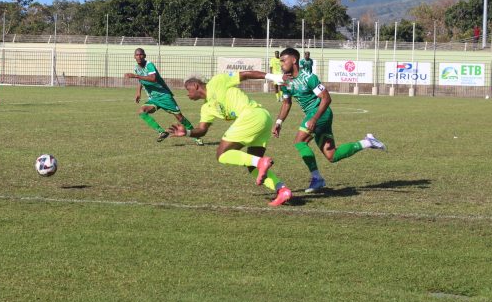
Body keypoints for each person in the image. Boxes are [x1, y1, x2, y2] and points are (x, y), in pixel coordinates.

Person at [168, 70, 292, 206]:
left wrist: (274, 77)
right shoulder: (206, 108)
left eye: (187, 89)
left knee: (222, 154)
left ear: (195, 85)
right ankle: (282, 190)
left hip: (252, 115)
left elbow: (245, 74)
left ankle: (260, 162)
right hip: (262, 119)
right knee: (252, 166)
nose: (187, 94)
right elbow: (202, 130)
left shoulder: (217, 81)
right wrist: (187, 133)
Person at [273, 47, 386, 192]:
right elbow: (286, 103)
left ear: (294, 60)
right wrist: (278, 122)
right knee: (332, 155)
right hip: (315, 116)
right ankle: (367, 142)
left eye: (283, 61)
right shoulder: (285, 82)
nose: (281, 64)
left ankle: (316, 178)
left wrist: (314, 118)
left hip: (321, 113)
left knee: (299, 141)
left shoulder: (309, 77)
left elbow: (326, 98)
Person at [125, 48, 203, 145]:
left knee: (180, 118)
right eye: (137, 55)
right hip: (154, 99)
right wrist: (138, 92)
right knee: (142, 111)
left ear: (144, 56)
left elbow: (153, 78)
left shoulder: (149, 65)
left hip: (164, 96)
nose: (139, 57)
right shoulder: (136, 68)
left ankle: (196, 136)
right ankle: (161, 132)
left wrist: (135, 76)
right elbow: (141, 81)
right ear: (134, 57)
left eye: (141, 54)